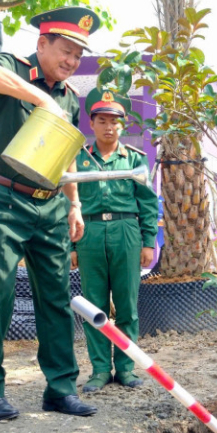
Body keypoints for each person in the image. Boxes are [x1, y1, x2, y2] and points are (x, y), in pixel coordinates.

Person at [0, 6, 100, 420]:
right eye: (65, 51)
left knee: (57, 298)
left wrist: (74, 204)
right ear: (42, 43)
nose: (72, 62)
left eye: (78, 57)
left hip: (50, 204)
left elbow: (69, 155)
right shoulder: (13, 66)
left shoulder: (71, 97)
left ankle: (60, 389)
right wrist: (39, 96)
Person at [71, 88, 157, 393]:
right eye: (102, 121)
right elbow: (70, 202)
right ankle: (99, 370)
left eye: (115, 122)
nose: (109, 127)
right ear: (91, 124)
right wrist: (72, 246)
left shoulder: (135, 160)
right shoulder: (77, 160)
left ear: (123, 126)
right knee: (93, 305)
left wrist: (149, 242)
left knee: (126, 305)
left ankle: (125, 367)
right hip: (90, 234)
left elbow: (147, 202)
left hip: (126, 233)